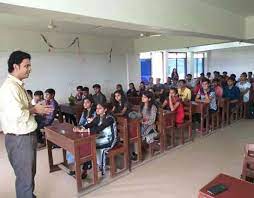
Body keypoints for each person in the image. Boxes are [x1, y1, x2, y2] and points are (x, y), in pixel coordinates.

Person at [0, 51, 53, 198]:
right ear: (15, 66)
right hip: (20, 139)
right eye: (26, 66)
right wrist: (35, 109)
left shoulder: (18, 85)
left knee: (28, 175)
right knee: (25, 178)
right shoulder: (10, 88)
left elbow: (26, 107)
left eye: (30, 65)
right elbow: (18, 115)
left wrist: (37, 109)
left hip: (25, 137)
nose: (30, 69)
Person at [74, 103, 118, 175]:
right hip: (102, 137)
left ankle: (96, 167)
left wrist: (84, 131)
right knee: (87, 144)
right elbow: (91, 124)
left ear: (105, 110)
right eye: (97, 108)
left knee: (90, 145)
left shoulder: (110, 118)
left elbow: (99, 128)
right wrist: (81, 127)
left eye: (100, 108)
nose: (97, 110)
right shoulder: (99, 117)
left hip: (110, 139)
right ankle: (86, 166)